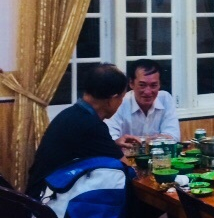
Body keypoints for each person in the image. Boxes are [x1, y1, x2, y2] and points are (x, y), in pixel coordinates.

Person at [26, 63, 139, 197]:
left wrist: (112, 145)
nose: (121, 102)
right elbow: (126, 168)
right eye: (121, 98)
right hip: (49, 201)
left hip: (38, 191)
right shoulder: (91, 125)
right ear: (112, 100)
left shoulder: (72, 114)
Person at [106, 58, 180, 143]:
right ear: (131, 83)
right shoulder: (120, 102)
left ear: (159, 84)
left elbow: (174, 137)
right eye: (142, 85)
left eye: (153, 85)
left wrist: (144, 142)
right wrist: (157, 139)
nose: (148, 92)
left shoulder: (165, 99)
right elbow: (111, 139)